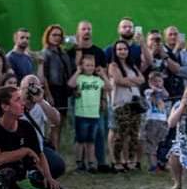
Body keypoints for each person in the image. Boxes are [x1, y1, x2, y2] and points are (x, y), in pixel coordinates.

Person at [0, 86, 69, 189]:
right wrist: (24, 151)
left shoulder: (26, 127)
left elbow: (39, 154)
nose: (23, 103)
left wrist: (48, 177)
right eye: (17, 100)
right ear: (5, 106)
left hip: (20, 180)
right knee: (5, 174)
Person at [72, 21, 109, 173]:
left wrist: (104, 98)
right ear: (78, 32)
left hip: (96, 100)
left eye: (89, 29)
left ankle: (99, 162)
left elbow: (104, 76)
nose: (86, 31)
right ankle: (80, 163)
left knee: (99, 131)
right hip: (79, 99)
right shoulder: (72, 51)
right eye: (83, 29)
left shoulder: (99, 52)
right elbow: (72, 75)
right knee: (80, 134)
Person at [108, 40, 144, 172]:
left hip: (134, 104)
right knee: (121, 134)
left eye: (124, 49)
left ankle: (129, 160)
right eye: (119, 49)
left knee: (133, 134)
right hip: (121, 104)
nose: (122, 51)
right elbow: (118, 80)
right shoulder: (113, 66)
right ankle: (117, 161)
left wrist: (129, 81)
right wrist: (133, 81)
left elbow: (142, 79)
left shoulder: (132, 65)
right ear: (115, 51)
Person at [20, 75, 64, 179]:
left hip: (38, 149)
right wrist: (23, 101)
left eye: (35, 87)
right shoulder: (14, 103)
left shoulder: (41, 104)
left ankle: (36, 177)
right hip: (18, 149)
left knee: (58, 166)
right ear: (20, 89)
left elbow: (56, 120)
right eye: (28, 87)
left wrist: (40, 100)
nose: (31, 90)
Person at [68, 54, 106, 172]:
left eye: (92, 65)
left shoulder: (97, 80)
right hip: (81, 114)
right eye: (87, 65)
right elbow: (70, 84)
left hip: (94, 115)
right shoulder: (80, 78)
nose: (90, 68)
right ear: (82, 66)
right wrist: (78, 72)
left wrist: (103, 75)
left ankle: (91, 163)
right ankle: (79, 163)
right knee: (80, 141)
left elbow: (109, 87)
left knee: (91, 141)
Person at [38, 24, 74, 150]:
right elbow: (44, 77)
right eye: (54, 35)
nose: (57, 37)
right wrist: (48, 94)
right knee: (52, 125)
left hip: (64, 91)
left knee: (60, 124)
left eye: (59, 35)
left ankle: (56, 151)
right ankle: (52, 152)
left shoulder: (63, 53)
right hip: (53, 90)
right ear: (48, 36)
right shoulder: (45, 53)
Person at [142, 70, 170, 172]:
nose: (157, 83)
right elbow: (153, 93)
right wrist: (155, 88)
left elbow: (166, 94)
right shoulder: (148, 91)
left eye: (159, 81)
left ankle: (160, 163)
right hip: (152, 121)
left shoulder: (163, 92)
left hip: (162, 121)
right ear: (149, 83)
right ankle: (153, 165)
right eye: (154, 81)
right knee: (151, 143)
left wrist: (161, 87)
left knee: (161, 143)